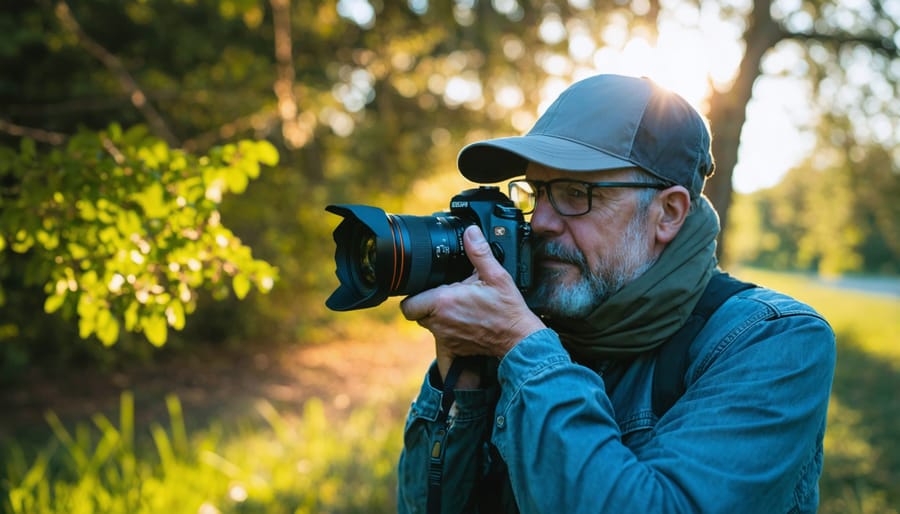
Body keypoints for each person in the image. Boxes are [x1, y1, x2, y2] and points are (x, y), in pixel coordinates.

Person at [396, 74, 835, 513]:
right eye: (537, 192)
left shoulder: (773, 340)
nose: (542, 221)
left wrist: (524, 349)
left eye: (575, 193)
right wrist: (465, 378)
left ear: (668, 213)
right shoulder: (535, 324)